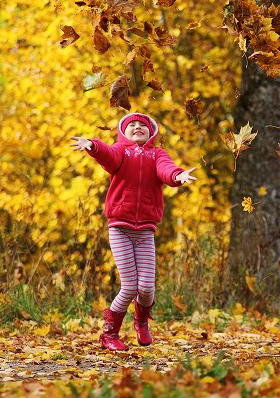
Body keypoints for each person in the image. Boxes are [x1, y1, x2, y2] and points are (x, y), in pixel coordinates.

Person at [70, 112, 197, 351]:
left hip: (145, 232)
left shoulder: (157, 154)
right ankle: (110, 334)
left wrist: (178, 175)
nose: (138, 127)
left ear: (152, 133)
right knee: (130, 286)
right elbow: (108, 155)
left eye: (143, 126)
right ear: (123, 132)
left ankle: (141, 321)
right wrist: (93, 146)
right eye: (132, 125)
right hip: (120, 228)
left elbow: (165, 170)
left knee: (147, 287)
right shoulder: (121, 151)